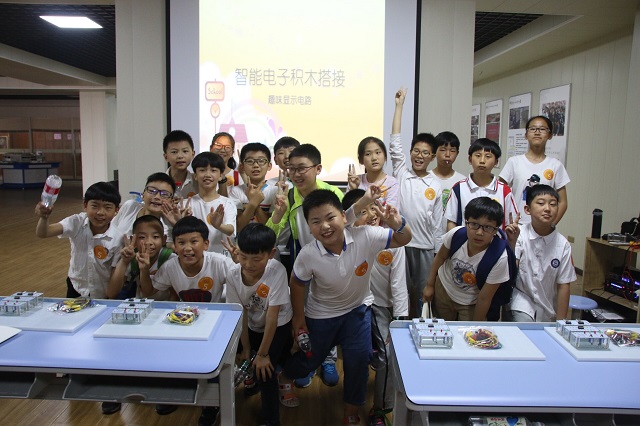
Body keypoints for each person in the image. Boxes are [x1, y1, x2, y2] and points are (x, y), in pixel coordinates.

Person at [278, 189, 412, 425]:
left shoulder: (366, 235)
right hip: (321, 315)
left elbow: (403, 240)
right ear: (308, 227)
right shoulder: (308, 254)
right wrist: (299, 318)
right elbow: (297, 283)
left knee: (359, 363)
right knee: (311, 359)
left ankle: (351, 411)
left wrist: (398, 224)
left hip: (357, 312)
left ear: (343, 216)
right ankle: (285, 376)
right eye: (316, 222)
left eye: (330, 217)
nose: (325, 226)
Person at [35, 181, 124, 416]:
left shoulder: (117, 238)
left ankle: (109, 390)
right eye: (95, 206)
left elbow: (115, 277)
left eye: (107, 207)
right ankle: (76, 375)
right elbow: (43, 232)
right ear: (85, 206)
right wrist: (43, 217)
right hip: (75, 289)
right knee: (73, 334)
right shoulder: (76, 222)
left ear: (116, 210)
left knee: (104, 341)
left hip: (103, 294)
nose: (100, 212)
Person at [138, 215, 233, 425]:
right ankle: (174, 394)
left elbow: (240, 280)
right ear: (174, 246)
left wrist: (240, 263)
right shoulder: (170, 267)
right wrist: (144, 270)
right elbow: (150, 293)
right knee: (173, 354)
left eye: (194, 241)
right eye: (181, 242)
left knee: (212, 363)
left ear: (206, 244)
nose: (187, 248)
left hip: (215, 323)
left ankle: (211, 405)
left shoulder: (219, 262)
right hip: (185, 322)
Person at [265, 143, 344, 388]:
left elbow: (348, 229)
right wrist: (278, 214)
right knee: (307, 315)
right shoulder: (288, 197)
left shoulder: (334, 193)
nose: (296, 174)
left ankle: (328, 360)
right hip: (305, 265)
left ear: (317, 169)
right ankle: (308, 361)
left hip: (335, 264)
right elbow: (271, 237)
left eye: (302, 168)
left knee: (332, 313)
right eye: (291, 169)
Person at [342, 189, 408, 426]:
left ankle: (380, 409)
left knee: (388, 356)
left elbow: (399, 284)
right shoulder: (345, 238)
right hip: (352, 305)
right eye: (363, 210)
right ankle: (351, 402)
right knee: (355, 357)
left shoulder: (392, 241)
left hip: (380, 307)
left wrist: (399, 319)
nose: (371, 215)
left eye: (374, 208)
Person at [226, 223, 295, 426]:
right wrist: (247, 348)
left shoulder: (277, 271)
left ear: (271, 254)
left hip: (278, 324)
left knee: (265, 370)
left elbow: (273, 316)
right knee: (247, 356)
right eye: (243, 257)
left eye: (256, 259)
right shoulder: (233, 275)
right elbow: (241, 313)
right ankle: (254, 378)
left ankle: (271, 420)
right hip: (253, 322)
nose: (248, 264)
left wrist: (263, 355)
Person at [389, 87, 444, 318]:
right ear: (410, 152)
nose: (419, 156)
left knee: (423, 298)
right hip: (401, 245)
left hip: (425, 249)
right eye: (416, 151)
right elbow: (395, 143)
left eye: (425, 153)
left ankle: (422, 332)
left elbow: (438, 226)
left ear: (432, 157)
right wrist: (399, 106)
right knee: (400, 296)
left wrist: (437, 255)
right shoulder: (402, 173)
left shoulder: (435, 184)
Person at [423, 197, 518, 321]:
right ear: (466, 222)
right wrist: (429, 285)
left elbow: (484, 298)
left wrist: (475, 327)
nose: (479, 232)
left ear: (496, 229)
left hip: (470, 302)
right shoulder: (456, 234)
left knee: (466, 331)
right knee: (440, 328)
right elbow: (440, 257)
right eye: (474, 224)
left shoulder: (499, 257)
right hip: (443, 289)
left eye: (488, 227)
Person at [509, 185, 576, 321]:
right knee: (524, 327)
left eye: (553, 204)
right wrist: (511, 242)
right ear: (527, 209)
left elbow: (564, 286)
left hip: (548, 307)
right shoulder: (520, 235)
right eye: (540, 203)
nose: (547, 209)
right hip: (521, 300)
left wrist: (561, 322)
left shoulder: (563, 245)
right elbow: (510, 272)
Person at [499, 115, 570, 225]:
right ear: (526, 135)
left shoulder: (555, 165)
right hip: (516, 225)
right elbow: (499, 193)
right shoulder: (514, 162)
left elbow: (563, 202)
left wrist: (551, 225)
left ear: (550, 135)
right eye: (532, 129)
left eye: (542, 129)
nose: (537, 132)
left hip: (543, 226)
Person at [444, 138, 519, 231]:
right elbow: (451, 221)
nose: (482, 160)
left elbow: (510, 223)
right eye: (478, 156)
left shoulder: (504, 191)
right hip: (464, 240)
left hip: (495, 240)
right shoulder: (458, 188)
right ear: (470, 159)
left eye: (488, 156)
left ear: (496, 162)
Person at [107, 215, 176, 300]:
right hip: (141, 304)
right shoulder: (133, 258)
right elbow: (111, 294)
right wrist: (124, 262)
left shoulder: (171, 259)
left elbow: (175, 295)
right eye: (142, 237)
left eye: (155, 237)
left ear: (164, 239)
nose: (149, 242)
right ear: (133, 239)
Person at [111, 172, 184, 249]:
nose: (157, 197)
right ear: (143, 194)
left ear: (171, 201)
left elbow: (176, 247)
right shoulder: (130, 206)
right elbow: (111, 229)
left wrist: (178, 224)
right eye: (152, 191)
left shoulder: (168, 224)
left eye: (164, 194)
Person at [188, 152, 237, 255]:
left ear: (221, 176)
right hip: (195, 258)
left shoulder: (227, 203)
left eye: (213, 170)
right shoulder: (187, 204)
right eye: (202, 170)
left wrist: (218, 226)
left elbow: (230, 230)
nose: (207, 175)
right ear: (195, 175)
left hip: (222, 258)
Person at [229, 142, 279, 232]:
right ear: (242, 166)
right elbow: (238, 227)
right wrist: (253, 202)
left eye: (261, 161)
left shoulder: (274, 191)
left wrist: (254, 204)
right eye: (250, 161)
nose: (256, 165)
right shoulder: (236, 191)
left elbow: (271, 228)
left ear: (269, 166)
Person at [347, 136, 400, 210]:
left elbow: (390, 213)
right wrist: (354, 190)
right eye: (368, 154)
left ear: (385, 156)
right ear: (360, 160)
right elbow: (348, 213)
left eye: (378, 153)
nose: (374, 158)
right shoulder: (355, 181)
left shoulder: (392, 183)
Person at [431, 131, 465, 209]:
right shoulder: (426, 178)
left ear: (457, 153)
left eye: (452, 151)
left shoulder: (462, 181)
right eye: (443, 150)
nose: (448, 155)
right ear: (435, 151)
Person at [163, 129, 196, 199]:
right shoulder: (159, 183)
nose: (180, 156)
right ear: (166, 157)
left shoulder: (198, 182)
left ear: (193, 154)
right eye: (174, 152)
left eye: (185, 151)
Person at [210, 131, 243, 197]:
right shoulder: (202, 174)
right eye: (218, 145)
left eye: (227, 147)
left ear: (232, 153)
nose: (222, 150)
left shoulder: (238, 177)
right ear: (211, 148)